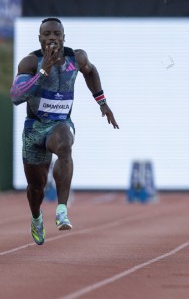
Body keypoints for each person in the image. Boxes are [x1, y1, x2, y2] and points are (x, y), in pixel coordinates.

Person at [9, 17, 119, 245]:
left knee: (65, 145)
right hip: (34, 128)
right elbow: (16, 97)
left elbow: (91, 71)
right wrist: (43, 72)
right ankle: (37, 217)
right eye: (46, 34)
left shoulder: (75, 58)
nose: (52, 38)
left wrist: (102, 102)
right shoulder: (30, 63)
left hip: (60, 122)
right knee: (35, 187)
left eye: (56, 34)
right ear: (39, 38)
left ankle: (61, 209)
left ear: (63, 37)